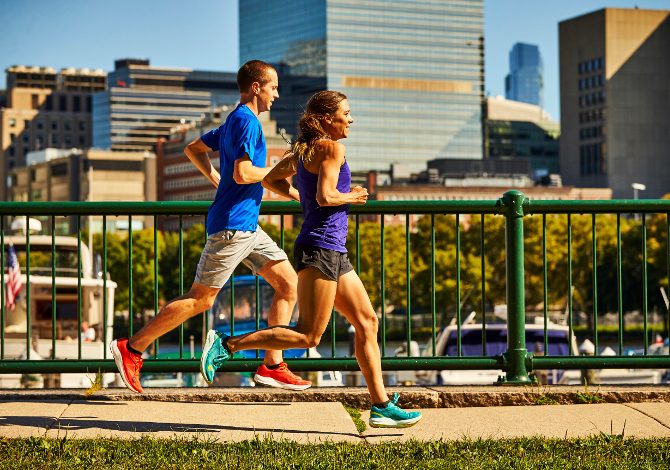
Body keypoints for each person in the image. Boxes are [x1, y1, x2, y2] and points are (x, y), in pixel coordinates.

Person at [200, 91, 422, 428]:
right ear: (326, 119)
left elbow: (273, 179)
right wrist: (353, 196)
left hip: (331, 250)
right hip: (320, 250)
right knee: (308, 337)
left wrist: (300, 198)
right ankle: (227, 344)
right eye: (346, 113)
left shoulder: (304, 150)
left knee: (368, 323)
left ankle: (380, 405)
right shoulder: (333, 148)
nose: (351, 119)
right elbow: (326, 195)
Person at [110, 60, 310, 393]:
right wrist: (276, 168)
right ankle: (131, 348)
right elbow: (245, 174)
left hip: (247, 226)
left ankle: (272, 365)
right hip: (232, 228)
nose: (277, 93)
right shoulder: (247, 123)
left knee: (289, 285)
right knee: (201, 300)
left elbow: (194, 149)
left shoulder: (232, 121)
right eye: (273, 86)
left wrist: (293, 194)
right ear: (256, 87)